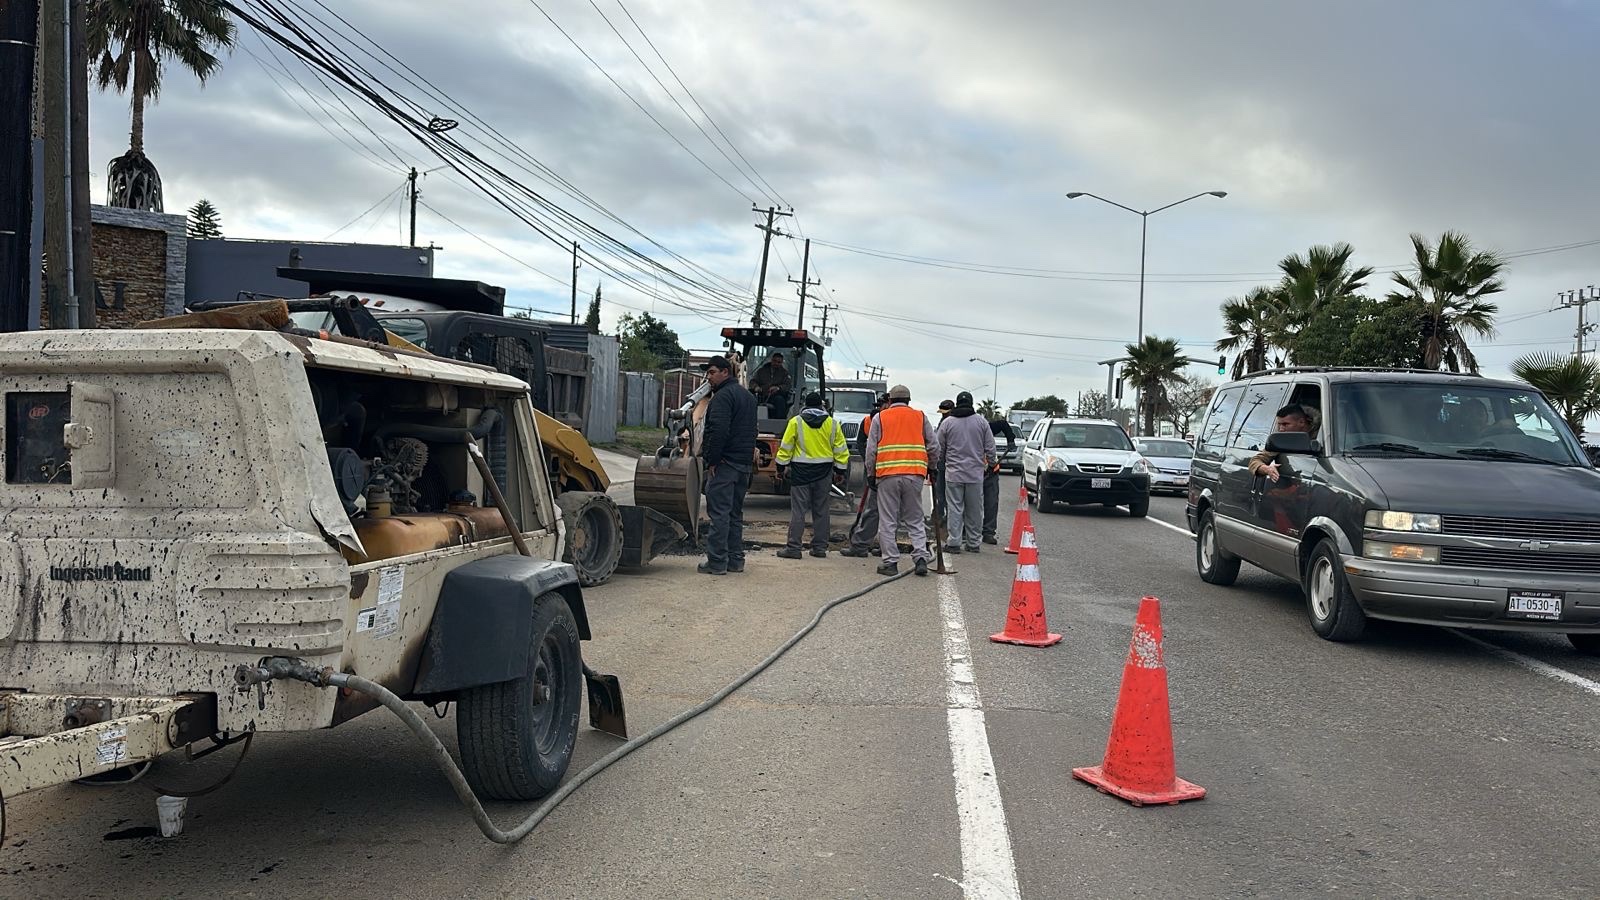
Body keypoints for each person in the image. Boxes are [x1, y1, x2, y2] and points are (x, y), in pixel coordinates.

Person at [866, 384, 939, 577]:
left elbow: (871, 449)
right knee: (915, 518)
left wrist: (870, 473)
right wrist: (932, 467)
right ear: (909, 401)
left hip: (887, 475)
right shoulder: (920, 416)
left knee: (888, 520)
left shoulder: (880, 417)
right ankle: (921, 558)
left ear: (889, 400)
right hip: (914, 475)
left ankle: (890, 562)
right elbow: (933, 445)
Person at [699, 355, 757, 575]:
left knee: (720, 514)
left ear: (725, 372)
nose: (709, 377)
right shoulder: (749, 398)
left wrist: (712, 460)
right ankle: (735, 560)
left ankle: (717, 562)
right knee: (735, 514)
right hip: (743, 465)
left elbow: (718, 431)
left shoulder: (722, 397)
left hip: (725, 464)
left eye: (712, 372)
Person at [775, 391, 850, 559]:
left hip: (800, 473)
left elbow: (786, 447)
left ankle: (794, 548)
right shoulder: (832, 424)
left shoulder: (796, 422)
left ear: (805, 406)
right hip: (823, 473)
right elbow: (841, 450)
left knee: (798, 511)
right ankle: (819, 548)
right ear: (822, 405)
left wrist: (780, 468)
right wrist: (840, 471)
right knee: (821, 510)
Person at [937, 392, 996, 553]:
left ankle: (954, 542)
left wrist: (939, 462)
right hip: (975, 475)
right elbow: (990, 447)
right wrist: (992, 464)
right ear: (971, 403)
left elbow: (939, 448)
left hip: (954, 474)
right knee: (974, 510)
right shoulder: (981, 422)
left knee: (955, 509)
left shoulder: (948, 423)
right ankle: (973, 543)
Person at [1249, 403, 1314, 483]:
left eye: (1285, 424)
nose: (1281, 429)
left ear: (1301, 422)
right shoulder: (1281, 439)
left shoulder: (1325, 435)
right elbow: (1255, 461)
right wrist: (1267, 469)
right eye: (1279, 424)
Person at [982, 414, 1020, 545]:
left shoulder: (984, 427)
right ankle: (967, 531)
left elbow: (1003, 424)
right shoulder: (959, 428)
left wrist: (1011, 440)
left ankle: (988, 532)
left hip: (990, 470)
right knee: (971, 504)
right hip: (972, 471)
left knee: (991, 502)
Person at [751, 351, 792, 419]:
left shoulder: (784, 373)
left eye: (779, 362)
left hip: (775, 397)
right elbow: (752, 381)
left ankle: (779, 422)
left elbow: (787, 385)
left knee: (780, 400)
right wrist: (756, 387)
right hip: (761, 395)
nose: (776, 363)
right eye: (775, 361)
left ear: (782, 363)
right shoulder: (761, 371)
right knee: (749, 397)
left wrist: (778, 388)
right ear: (771, 360)